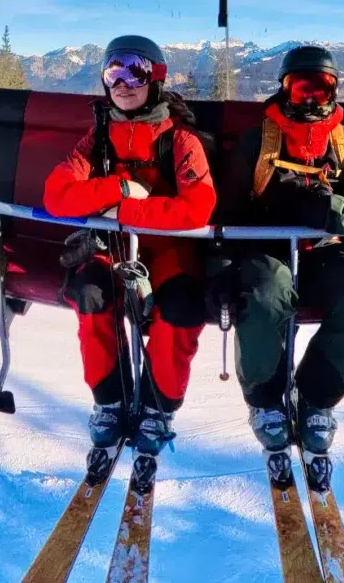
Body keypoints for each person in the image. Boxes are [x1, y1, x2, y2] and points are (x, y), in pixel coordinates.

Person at [215, 45, 344, 461]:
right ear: (284, 89)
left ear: (333, 91)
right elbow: (226, 213)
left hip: (326, 245)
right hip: (268, 247)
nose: (309, 98)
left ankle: (317, 394)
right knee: (265, 297)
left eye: (320, 90)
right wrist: (222, 266)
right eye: (299, 87)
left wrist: (339, 213)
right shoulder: (261, 142)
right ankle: (265, 396)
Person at [44, 35, 216, 457]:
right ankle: (111, 399)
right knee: (90, 293)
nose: (123, 83)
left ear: (155, 78)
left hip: (167, 247)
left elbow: (198, 207)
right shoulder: (97, 141)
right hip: (114, 246)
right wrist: (120, 186)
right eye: (112, 72)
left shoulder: (180, 142)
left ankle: (158, 405)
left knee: (180, 308)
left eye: (134, 71)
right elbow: (57, 194)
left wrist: (123, 212)